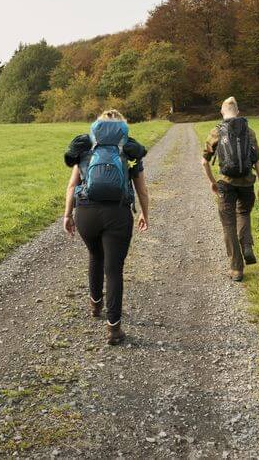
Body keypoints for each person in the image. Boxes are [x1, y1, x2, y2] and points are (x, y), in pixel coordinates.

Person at [62, 109, 150, 345]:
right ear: (121, 128)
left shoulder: (86, 146)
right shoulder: (128, 148)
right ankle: (113, 328)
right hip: (118, 213)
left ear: (97, 127)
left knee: (94, 256)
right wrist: (145, 213)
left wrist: (67, 215)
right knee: (114, 269)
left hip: (86, 213)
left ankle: (95, 305)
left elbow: (72, 186)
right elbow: (141, 189)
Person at [202, 97, 259, 281]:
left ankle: (237, 269)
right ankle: (246, 244)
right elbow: (258, 160)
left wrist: (212, 181)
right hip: (247, 182)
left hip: (226, 183)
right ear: (238, 112)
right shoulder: (250, 131)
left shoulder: (216, 131)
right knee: (244, 213)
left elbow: (204, 161)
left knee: (228, 224)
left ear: (222, 112)